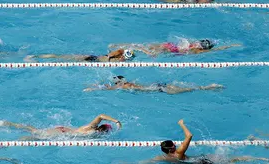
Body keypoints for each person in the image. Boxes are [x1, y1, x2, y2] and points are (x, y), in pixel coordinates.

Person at [129, 120, 269, 164]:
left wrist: (127, 163)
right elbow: (189, 136)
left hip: (198, 163)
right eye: (173, 143)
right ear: (171, 147)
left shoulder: (163, 158)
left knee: (232, 163)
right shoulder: (179, 152)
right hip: (203, 163)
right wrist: (182, 124)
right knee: (232, 163)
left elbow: (146, 162)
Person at [0, 114, 121, 139]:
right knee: (35, 136)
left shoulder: (93, 130)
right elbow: (100, 116)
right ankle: (15, 140)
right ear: (103, 131)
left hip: (63, 130)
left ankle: (8, 124)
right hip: (61, 133)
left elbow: (101, 116)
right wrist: (116, 120)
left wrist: (116, 121)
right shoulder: (92, 130)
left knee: (34, 130)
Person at [84, 75, 224, 94]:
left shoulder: (124, 86)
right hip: (157, 85)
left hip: (159, 88)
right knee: (188, 89)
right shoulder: (128, 83)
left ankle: (208, 87)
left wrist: (93, 88)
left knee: (185, 90)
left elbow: (107, 88)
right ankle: (207, 87)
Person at [116, 39, 239, 56]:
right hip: (170, 49)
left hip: (169, 45)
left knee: (142, 46)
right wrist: (229, 46)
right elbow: (217, 50)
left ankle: (119, 45)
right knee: (146, 52)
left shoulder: (192, 43)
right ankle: (122, 49)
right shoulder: (196, 50)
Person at [26, 48, 134, 63]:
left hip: (93, 58)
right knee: (62, 58)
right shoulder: (119, 54)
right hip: (92, 59)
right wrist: (110, 57)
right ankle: (35, 57)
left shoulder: (122, 58)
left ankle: (36, 57)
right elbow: (115, 52)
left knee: (63, 59)